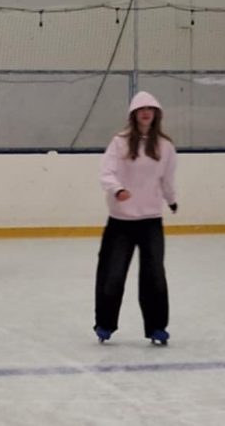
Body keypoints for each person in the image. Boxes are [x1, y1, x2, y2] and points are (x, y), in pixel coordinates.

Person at [95, 91, 178, 345]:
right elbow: (106, 173)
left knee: (154, 275)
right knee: (112, 273)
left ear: (156, 115)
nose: (146, 113)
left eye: (150, 110)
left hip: (151, 220)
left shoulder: (165, 146)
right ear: (133, 114)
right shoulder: (119, 143)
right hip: (120, 221)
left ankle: (157, 327)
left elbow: (167, 179)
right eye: (141, 110)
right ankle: (105, 324)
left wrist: (171, 199)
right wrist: (117, 190)